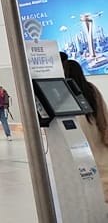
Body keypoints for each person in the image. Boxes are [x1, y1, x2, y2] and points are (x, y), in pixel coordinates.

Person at [63, 59, 108, 201]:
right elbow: (104, 113)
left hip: (81, 141)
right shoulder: (91, 89)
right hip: (97, 135)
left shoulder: (65, 93)